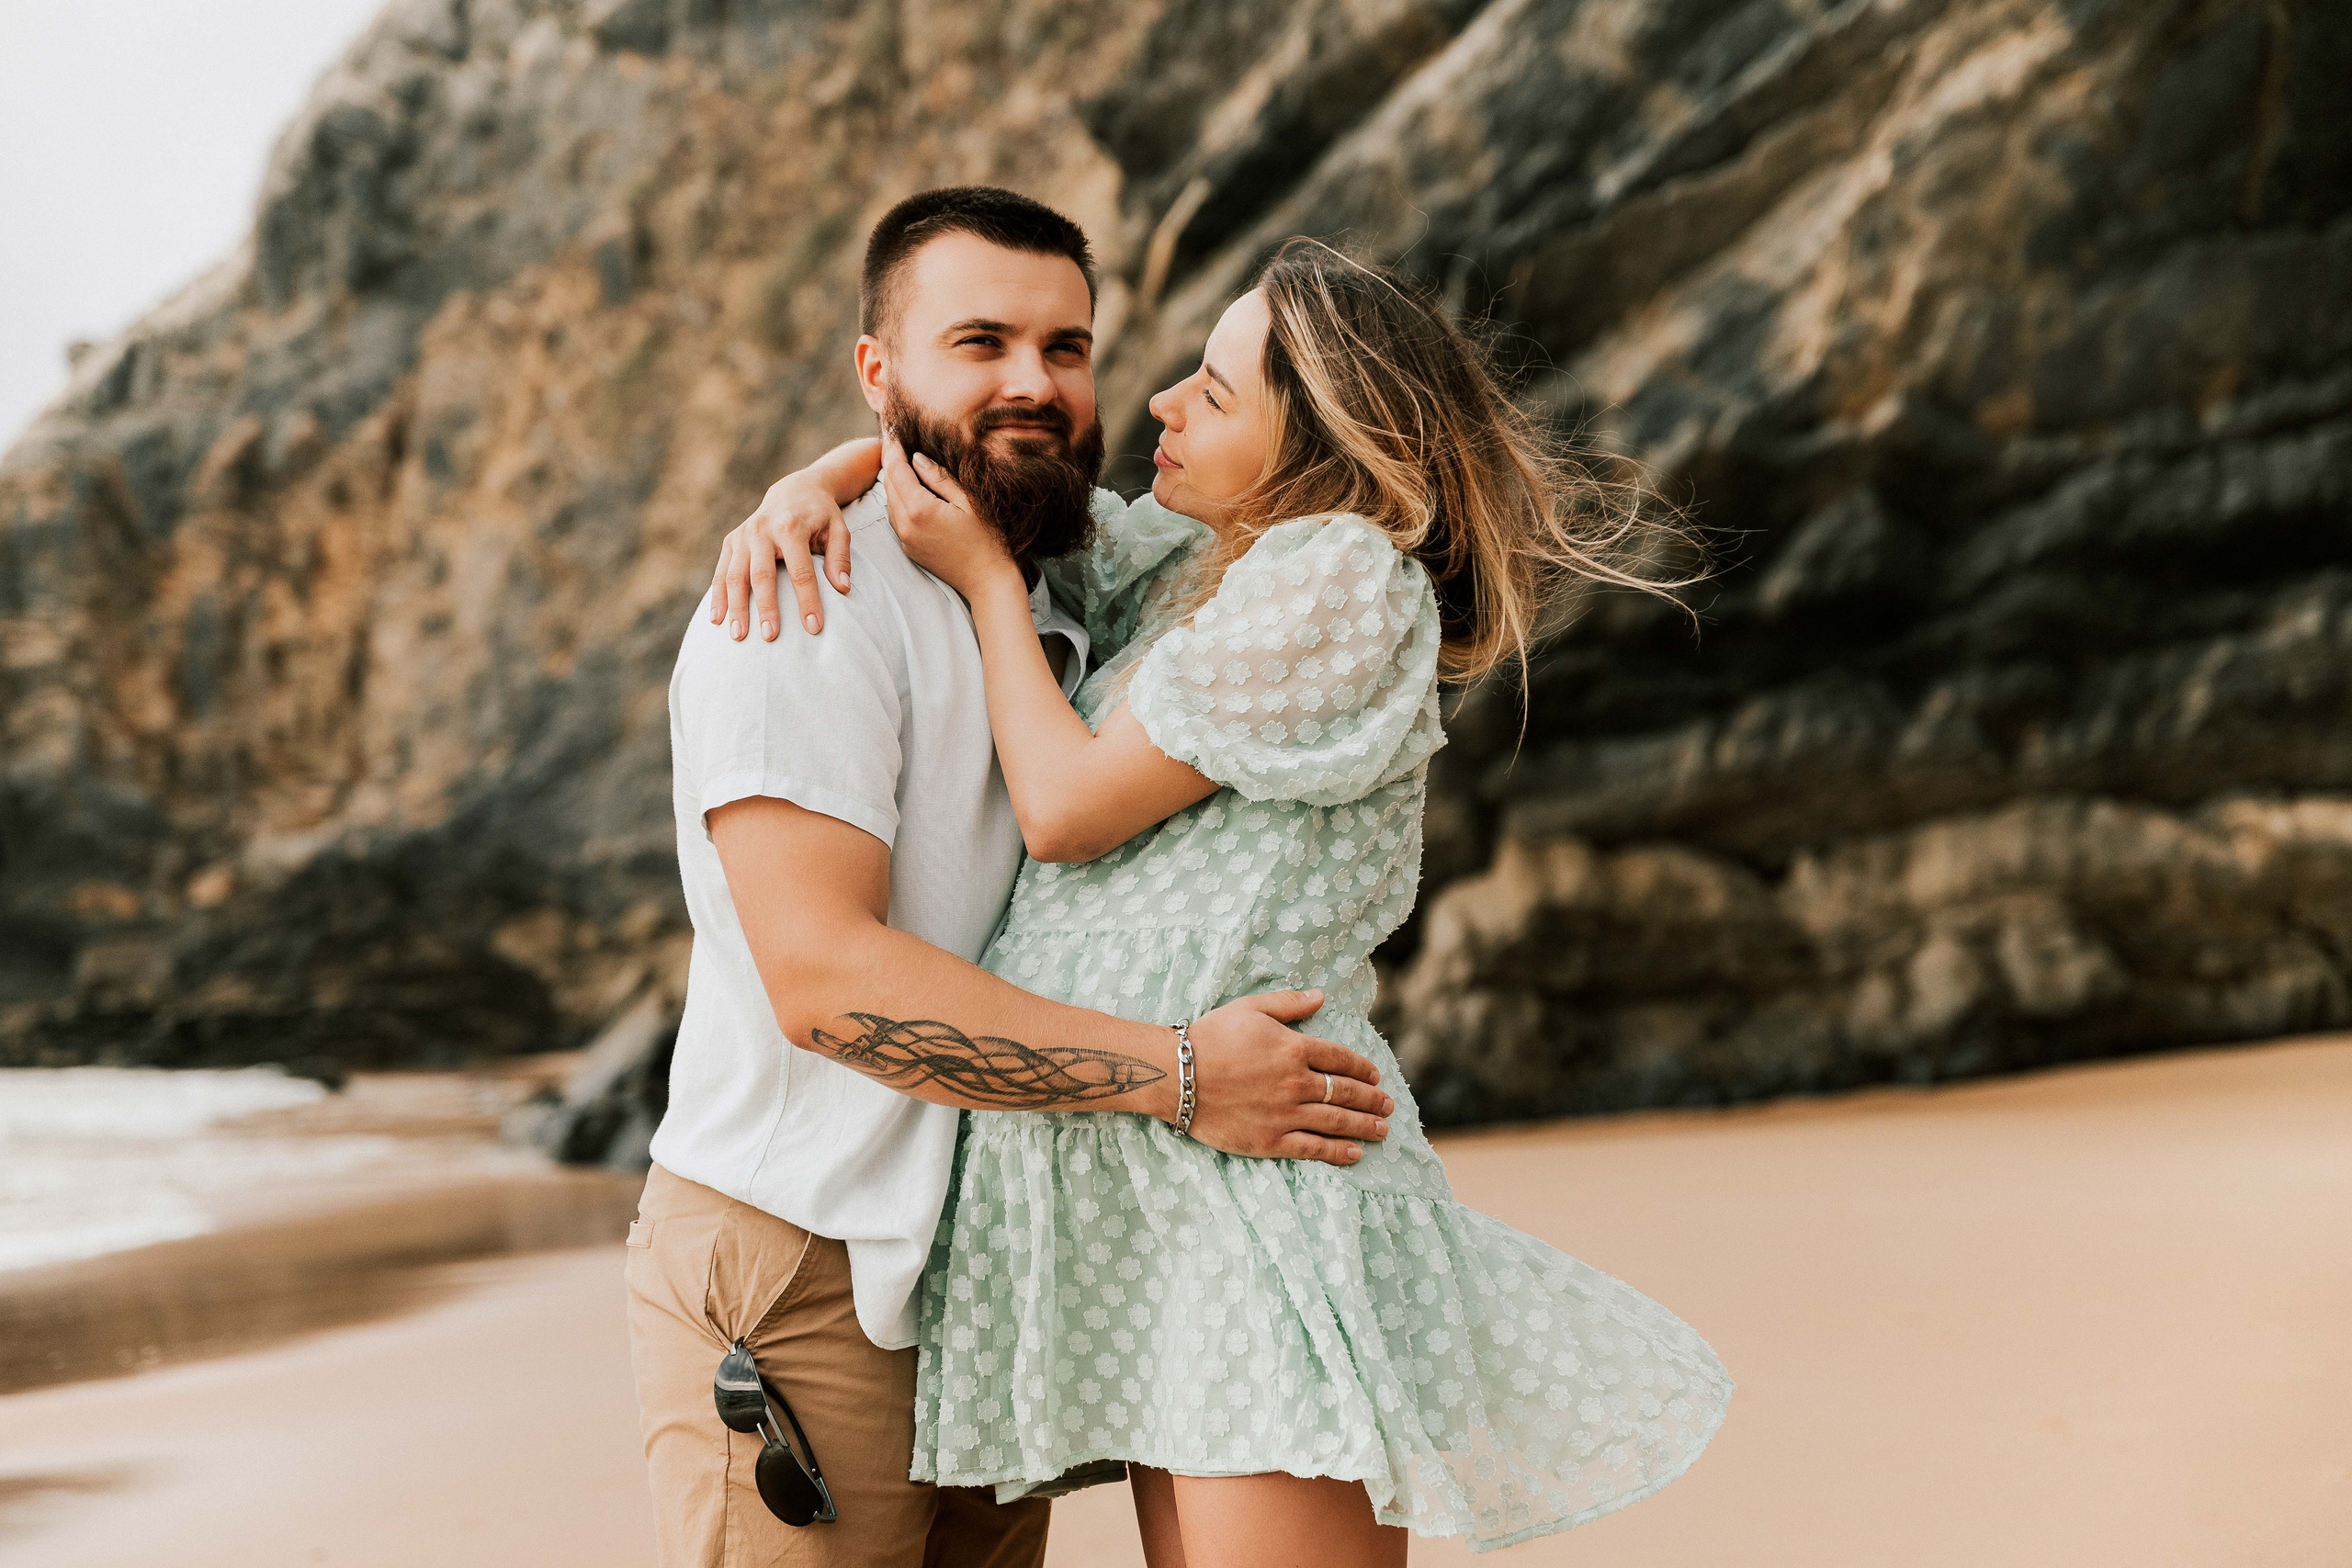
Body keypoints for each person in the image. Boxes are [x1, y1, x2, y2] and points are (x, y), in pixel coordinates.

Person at [718, 243, 1733, 1562]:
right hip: (1160, 1172)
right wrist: (814, 482)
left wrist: (978, 589)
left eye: (1212, 389)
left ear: (1319, 446)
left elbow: (1067, 807)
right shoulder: (1193, 572)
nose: (1161, 407)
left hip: (1249, 1178)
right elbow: (984, 490)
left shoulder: (1341, 572)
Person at [639, 187, 1398, 1568]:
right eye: (979, 341)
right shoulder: (804, 603)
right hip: (803, 1259)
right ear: (878, 371)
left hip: (981, 1270)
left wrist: (842, 469)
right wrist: (1176, 1075)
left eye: (1065, 347)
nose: (1031, 385)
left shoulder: (1056, 578)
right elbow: (823, 984)